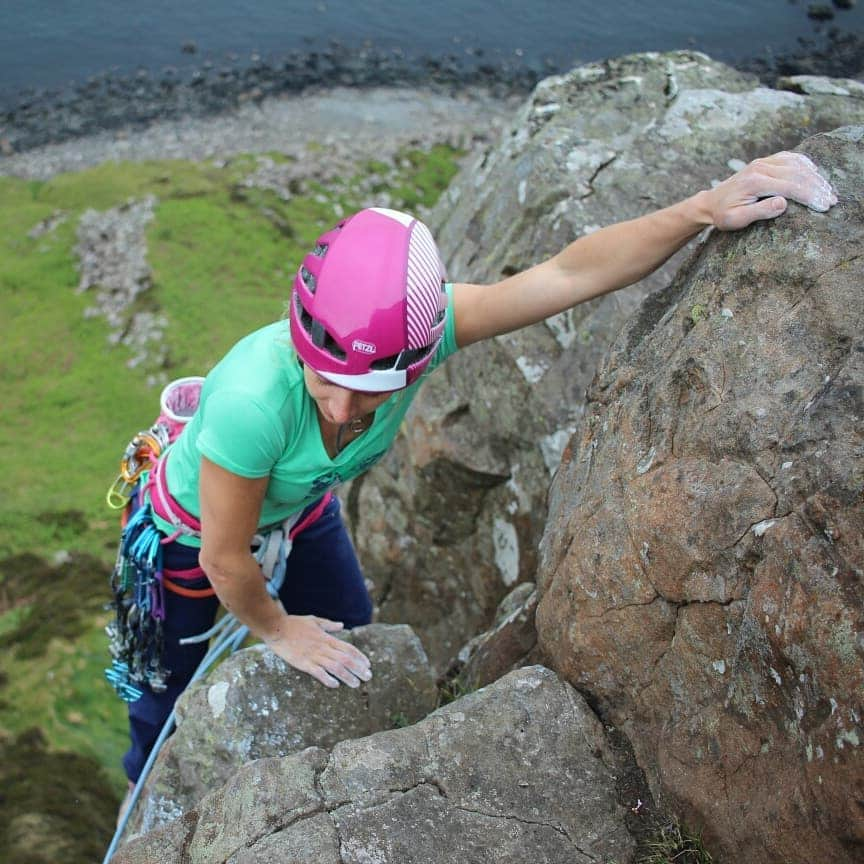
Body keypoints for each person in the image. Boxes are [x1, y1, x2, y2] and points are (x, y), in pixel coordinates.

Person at [109, 150, 836, 795]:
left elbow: (569, 273)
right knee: (162, 689)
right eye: (322, 376)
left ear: (420, 356)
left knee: (355, 640)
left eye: (368, 390)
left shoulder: (429, 332)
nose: (339, 403)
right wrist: (276, 630)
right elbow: (222, 556)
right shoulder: (251, 404)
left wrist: (701, 208)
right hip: (185, 536)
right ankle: (147, 789)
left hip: (300, 507)